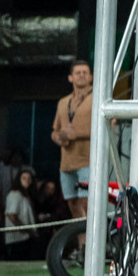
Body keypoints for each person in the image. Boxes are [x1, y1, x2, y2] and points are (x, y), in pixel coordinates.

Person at [51, 59, 93, 203]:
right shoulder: (63, 102)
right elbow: (55, 130)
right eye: (78, 73)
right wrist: (57, 137)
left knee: (87, 204)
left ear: (91, 77)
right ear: (70, 78)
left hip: (88, 161)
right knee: (72, 204)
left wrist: (77, 135)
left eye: (85, 73)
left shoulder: (98, 99)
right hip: (66, 163)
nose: (81, 75)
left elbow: (110, 127)